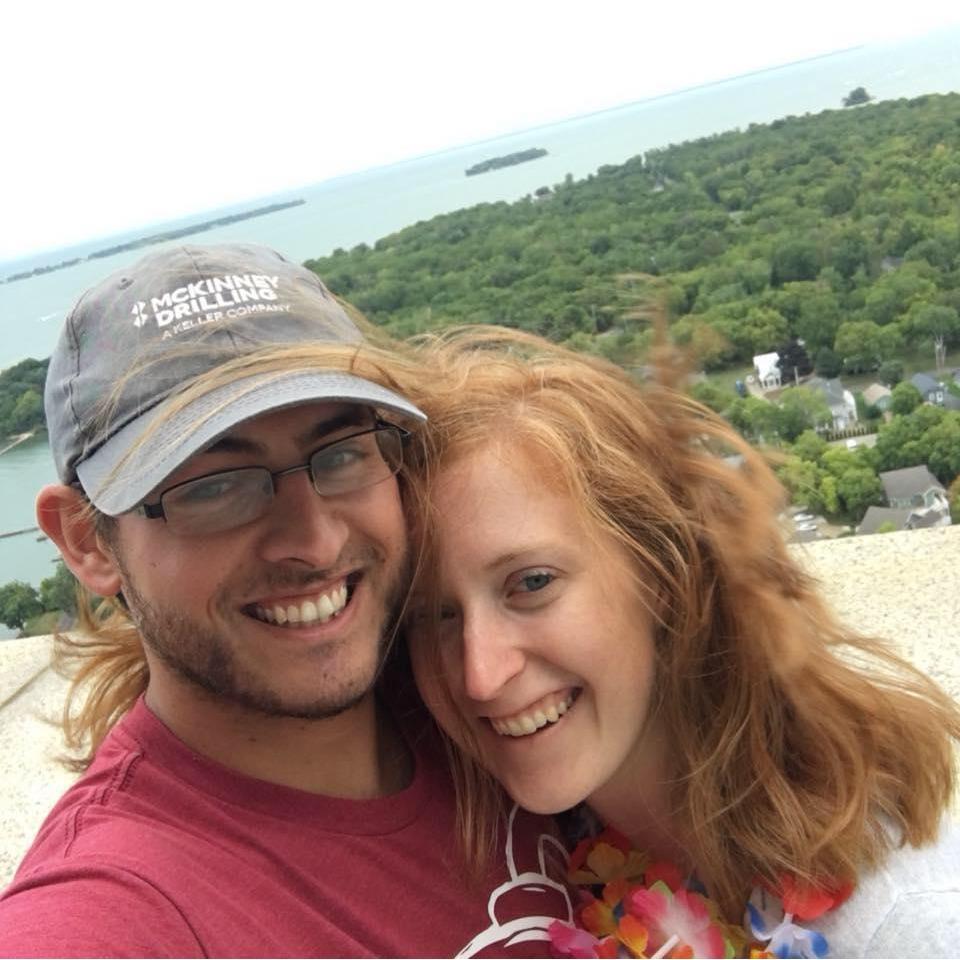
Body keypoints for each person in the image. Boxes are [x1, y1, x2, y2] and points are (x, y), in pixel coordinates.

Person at [0, 246, 572, 958]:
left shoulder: (488, 701)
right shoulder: (121, 905)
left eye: (342, 453)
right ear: (87, 541)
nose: (315, 540)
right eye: (214, 486)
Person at [405, 326, 960, 959]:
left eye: (531, 583)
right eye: (433, 616)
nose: (480, 674)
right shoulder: (553, 853)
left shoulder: (909, 927)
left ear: (665, 576)